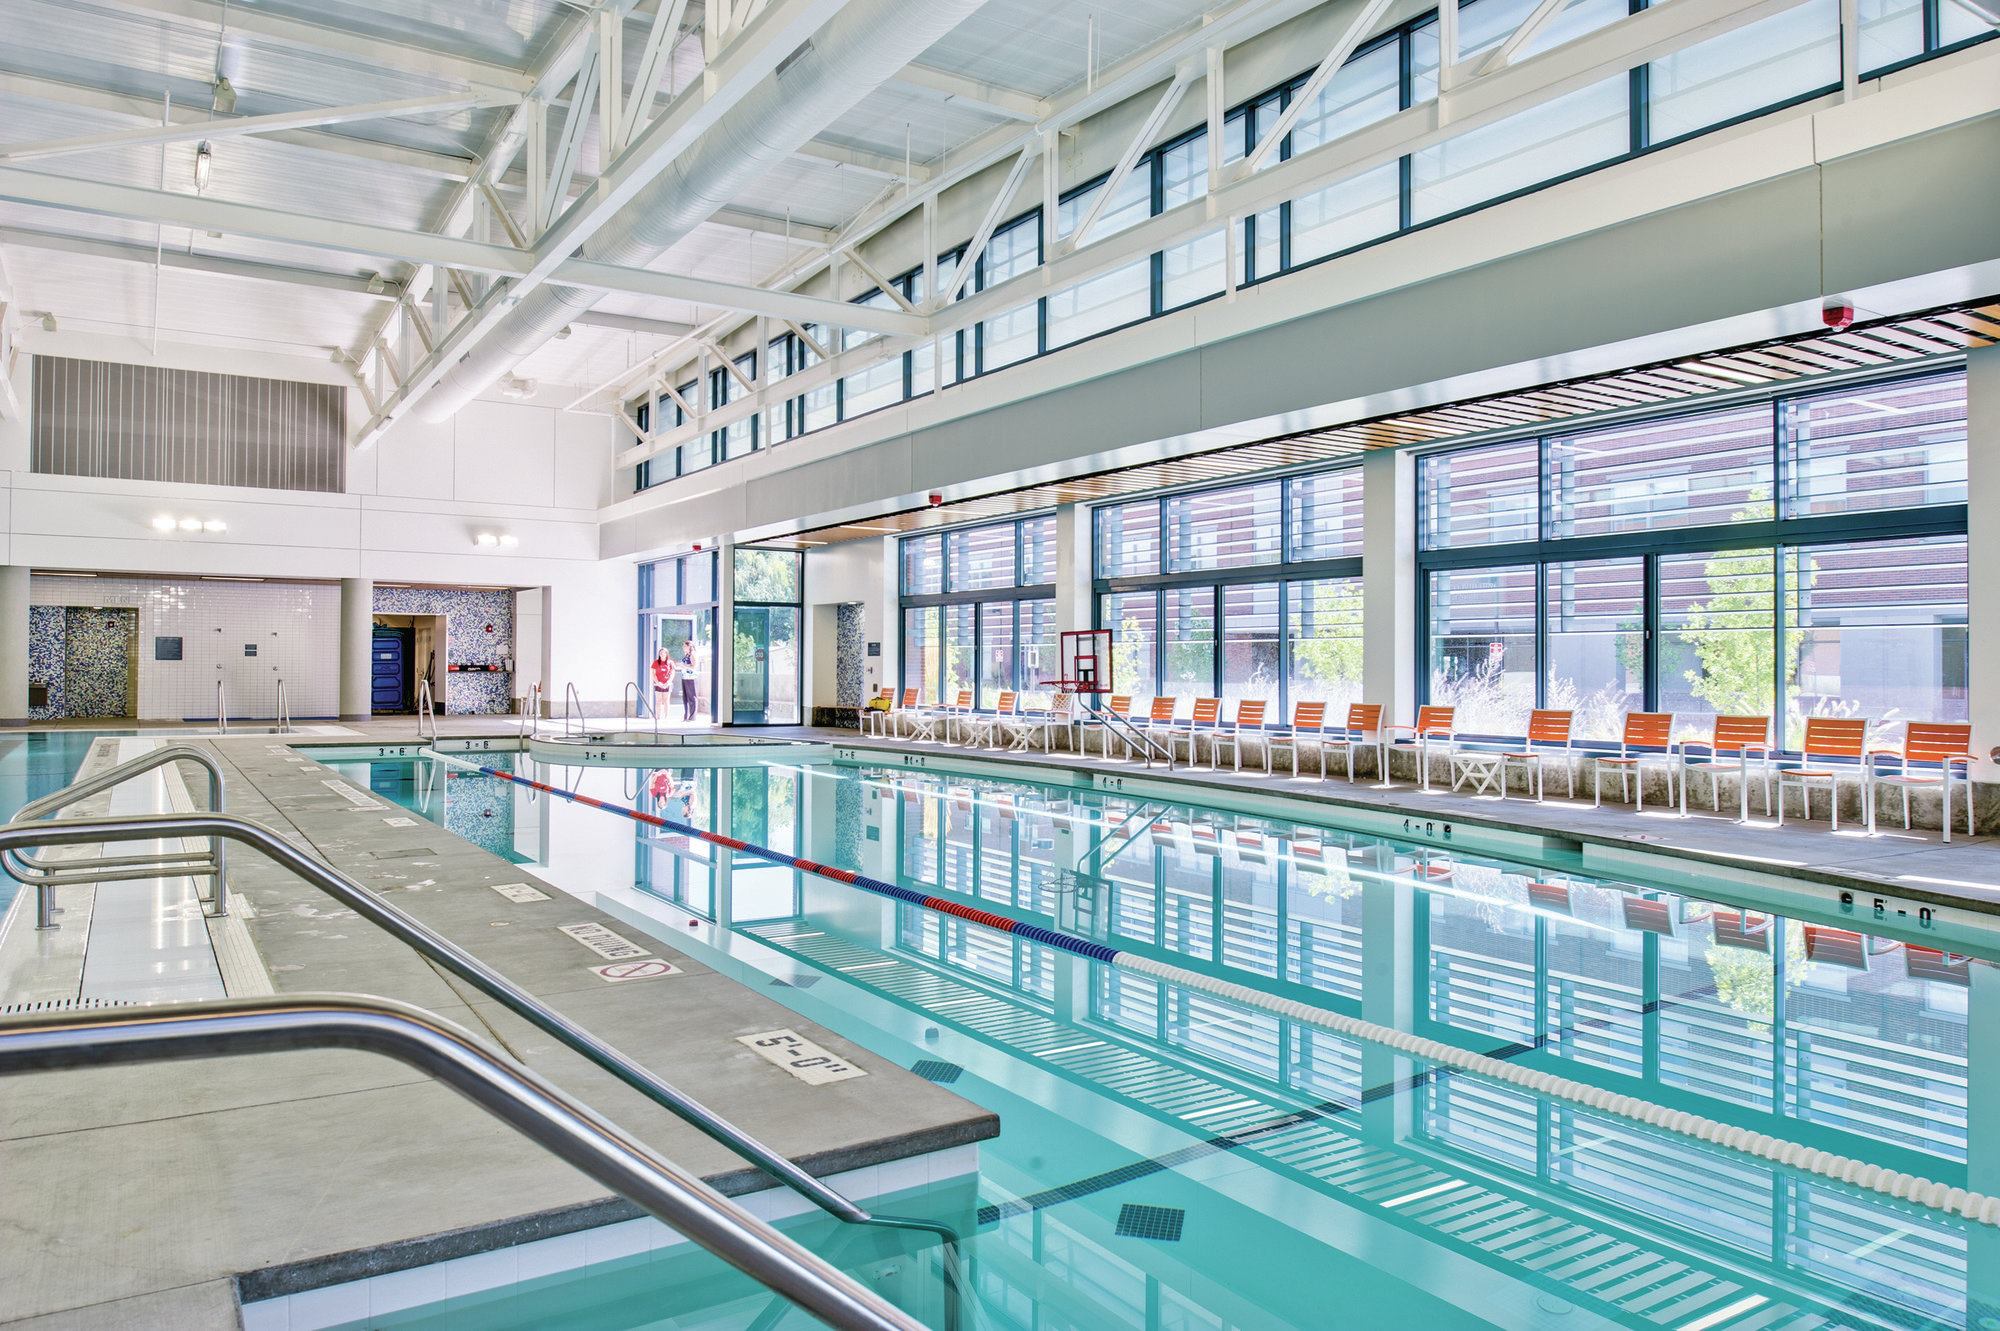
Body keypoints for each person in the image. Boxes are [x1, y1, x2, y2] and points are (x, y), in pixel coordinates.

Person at [649, 649, 673, 723]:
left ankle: (666, 717)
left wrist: (668, 682)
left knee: (666, 701)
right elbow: (653, 674)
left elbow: (672, 674)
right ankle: (657, 717)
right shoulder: (656, 662)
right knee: (658, 701)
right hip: (658, 684)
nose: (662, 654)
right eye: (661, 653)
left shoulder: (670, 663)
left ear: (666, 654)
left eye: (663, 653)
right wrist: (658, 682)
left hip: (667, 685)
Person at [679, 641, 699, 722]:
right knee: (685, 697)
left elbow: (694, 666)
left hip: (691, 678)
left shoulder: (693, 654)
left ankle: (692, 717)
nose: (683, 647)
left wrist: (682, 665)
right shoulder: (686, 655)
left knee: (692, 697)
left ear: (689, 646)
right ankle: (686, 716)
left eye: (685, 646)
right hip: (685, 677)